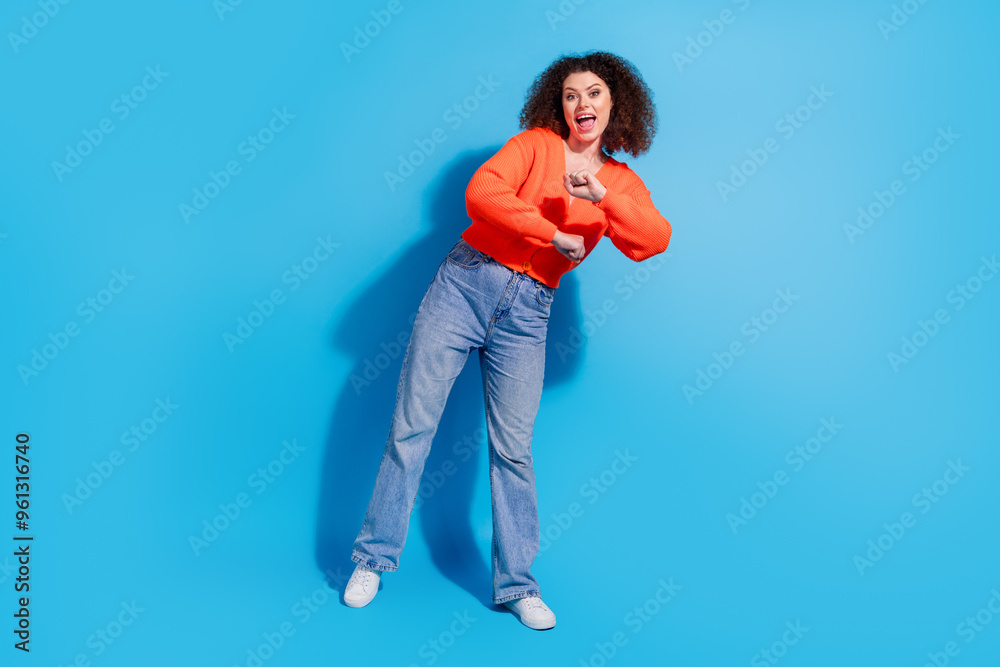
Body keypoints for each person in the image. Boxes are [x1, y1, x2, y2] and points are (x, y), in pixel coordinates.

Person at [344, 50, 671, 630]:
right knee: (411, 427)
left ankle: (517, 586)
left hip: (530, 312)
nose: (582, 103)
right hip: (466, 283)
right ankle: (372, 558)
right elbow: (482, 194)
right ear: (558, 103)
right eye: (571, 94)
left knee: (513, 452)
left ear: (615, 101)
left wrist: (600, 196)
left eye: (593, 92)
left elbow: (653, 238)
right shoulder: (535, 147)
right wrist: (550, 232)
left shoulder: (618, 182)